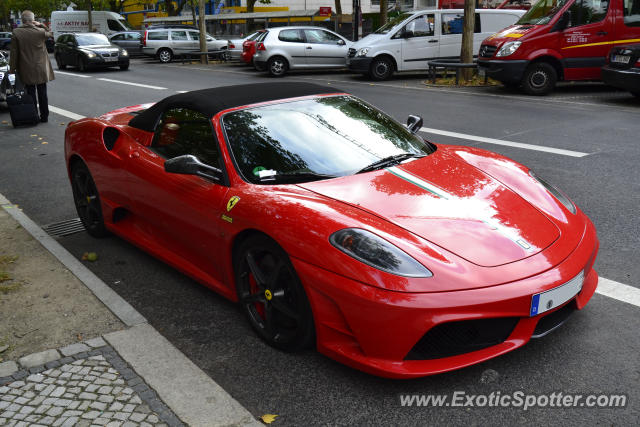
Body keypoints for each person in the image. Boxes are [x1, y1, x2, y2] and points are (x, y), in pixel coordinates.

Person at [9, 10, 55, 123]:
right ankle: (44, 116)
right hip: (41, 67)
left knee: (30, 92)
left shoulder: (16, 32)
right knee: (42, 92)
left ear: (23, 20)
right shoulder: (40, 32)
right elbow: (51, 33)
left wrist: (12, 68)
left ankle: (33, 115)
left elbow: (14, 53)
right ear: (32, 20)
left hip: (26, 67)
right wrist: (42, 24)